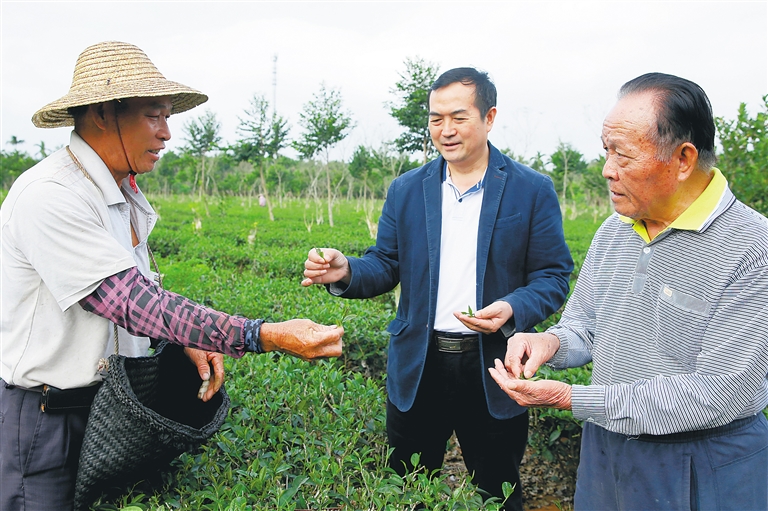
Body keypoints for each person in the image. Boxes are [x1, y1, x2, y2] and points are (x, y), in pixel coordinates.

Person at [0, 41, 343, 511]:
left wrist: (182, 338)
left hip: (109, 408)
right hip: (47, 420)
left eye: (167, 117)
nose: (166, 133)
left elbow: (141, 291)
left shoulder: (116, 191)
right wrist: (261, 334)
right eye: (153, 116)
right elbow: (129, 302)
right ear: (102, 114)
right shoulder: (52, 194)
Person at [489, 72, 768, 510]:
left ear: (683, 158)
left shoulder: (751, 248)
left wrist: (571, 397)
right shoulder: (614, 230)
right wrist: (550, 342)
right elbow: (587, 324)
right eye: (606, 150)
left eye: (623, 153)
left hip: (701, 458)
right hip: (606, 446)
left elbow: (719, 391)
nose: (607, 169)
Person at [302, 67, 573, 510]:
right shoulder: (408, 189)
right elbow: (386, 263)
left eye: (459, 117)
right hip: (420, 363)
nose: (445, 130)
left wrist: (511, 307)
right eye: (435, 118)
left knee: (497, 491)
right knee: (408, 489)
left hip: (493, 366)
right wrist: (346, 271)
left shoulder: (531, 190)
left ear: (489, 117)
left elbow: (552, 276)